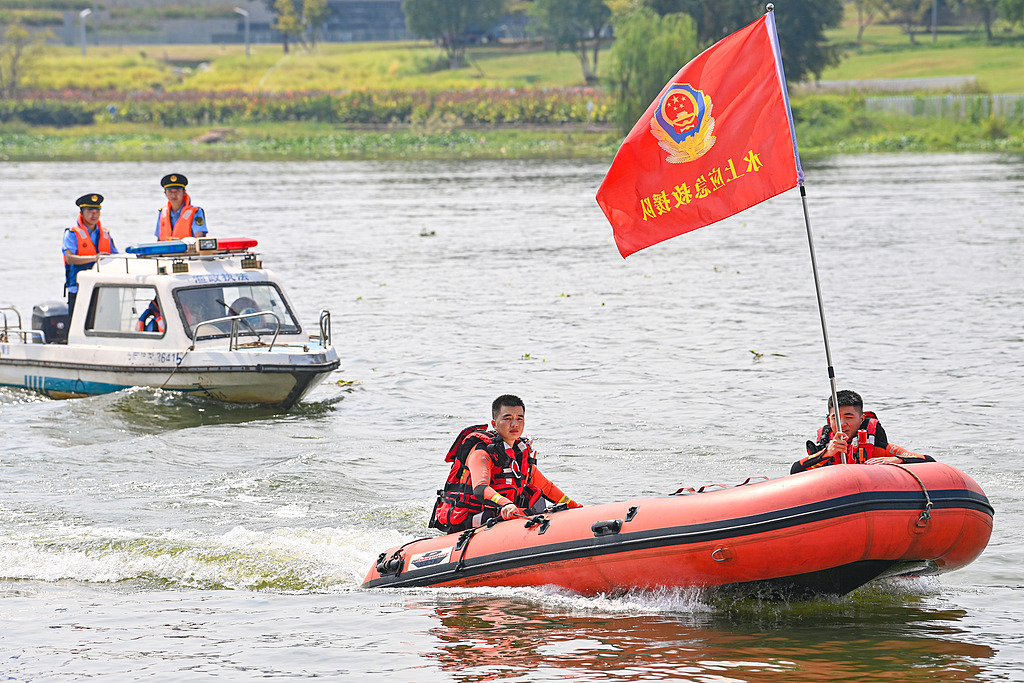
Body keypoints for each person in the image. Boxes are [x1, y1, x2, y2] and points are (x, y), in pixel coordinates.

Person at [430, 394, 582, 533]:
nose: (515, 424)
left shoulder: (520, 455)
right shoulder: (481, 452)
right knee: (503, 514)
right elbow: (480, 489)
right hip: (472, 521)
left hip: (506, 517)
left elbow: (547, 488)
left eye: (519, 419)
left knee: (539, 503)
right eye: (508, 418)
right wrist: (505, 504)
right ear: (494, 424)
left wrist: (577, 508)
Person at [791, 389, 935, 474]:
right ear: (829, 420)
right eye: (835, 418)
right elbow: (796, 470)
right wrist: (827, 453)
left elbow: (928, 461)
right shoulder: (825, 450)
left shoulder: (878, 447)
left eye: (849, 417)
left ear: (861, 419)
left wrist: (897, 460)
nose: (842, 424)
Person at [63, 193, 118, 323]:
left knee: (101, 323)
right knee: (78, 324)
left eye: (97, 211)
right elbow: (69, 258)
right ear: (81, 213)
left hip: (101, 286)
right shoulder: (72, 233)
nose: (94, 215)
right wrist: (95, 258)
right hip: (78, 287)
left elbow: (116, 256)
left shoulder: (105, 233)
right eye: (90, 211)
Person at [155, 173, 207, 241]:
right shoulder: (162, 212)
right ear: (165, 193)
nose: (173, 195)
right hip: (166, 247)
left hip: (188, 247)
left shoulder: (196, 212)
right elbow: (159, 239)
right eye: (170, 192)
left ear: (184, 192)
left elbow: (200, 238)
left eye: (177, 191)